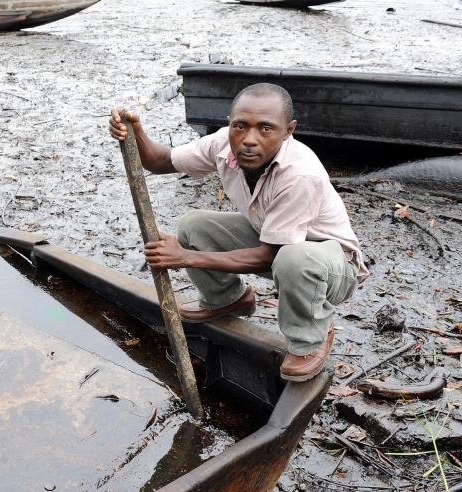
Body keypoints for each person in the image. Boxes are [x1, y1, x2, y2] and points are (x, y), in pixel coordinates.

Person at [109, 83, 368, 382]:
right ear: (230, 124)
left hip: (330, 265)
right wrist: (137, 134)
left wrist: (186, 257)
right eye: (240, 126)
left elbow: (268, 257)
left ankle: (310, 338)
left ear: (289, 130)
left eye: (266, 129)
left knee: (293, 259)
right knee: (194, 226)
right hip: (277, 241)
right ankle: (227, 299)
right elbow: (160, 161)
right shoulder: (223, 144)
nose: (249, 140)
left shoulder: (300, 174)